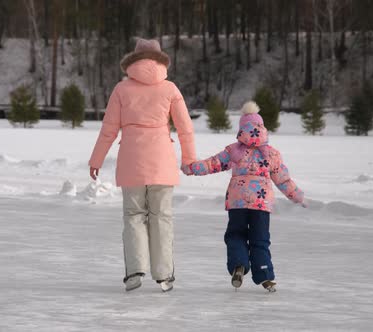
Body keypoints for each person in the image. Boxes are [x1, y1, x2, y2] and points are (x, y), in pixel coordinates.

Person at [88, 38, 196, 292]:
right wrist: (189, 159)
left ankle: (135, 272)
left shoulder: (121, 89)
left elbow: (108, 130)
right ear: (160, 60)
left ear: (134, 60)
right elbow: (185, 128)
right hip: (162, 163)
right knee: (162, 217)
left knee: (134, 216)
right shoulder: (170, 89)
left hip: (131, 162)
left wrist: (96, 160)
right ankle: (164, 276)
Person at [181, 101, 305, 292]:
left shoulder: (234, 150)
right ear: (262, 128)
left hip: (237, 202)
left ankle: (239, 264)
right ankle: (265, 275)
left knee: (236, 234)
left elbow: (212, 163)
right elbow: (283, 180)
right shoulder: (271, 154)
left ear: (242, 129)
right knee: (260, 239)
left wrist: (192, 168)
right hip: (261, 204)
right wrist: (298, 197)